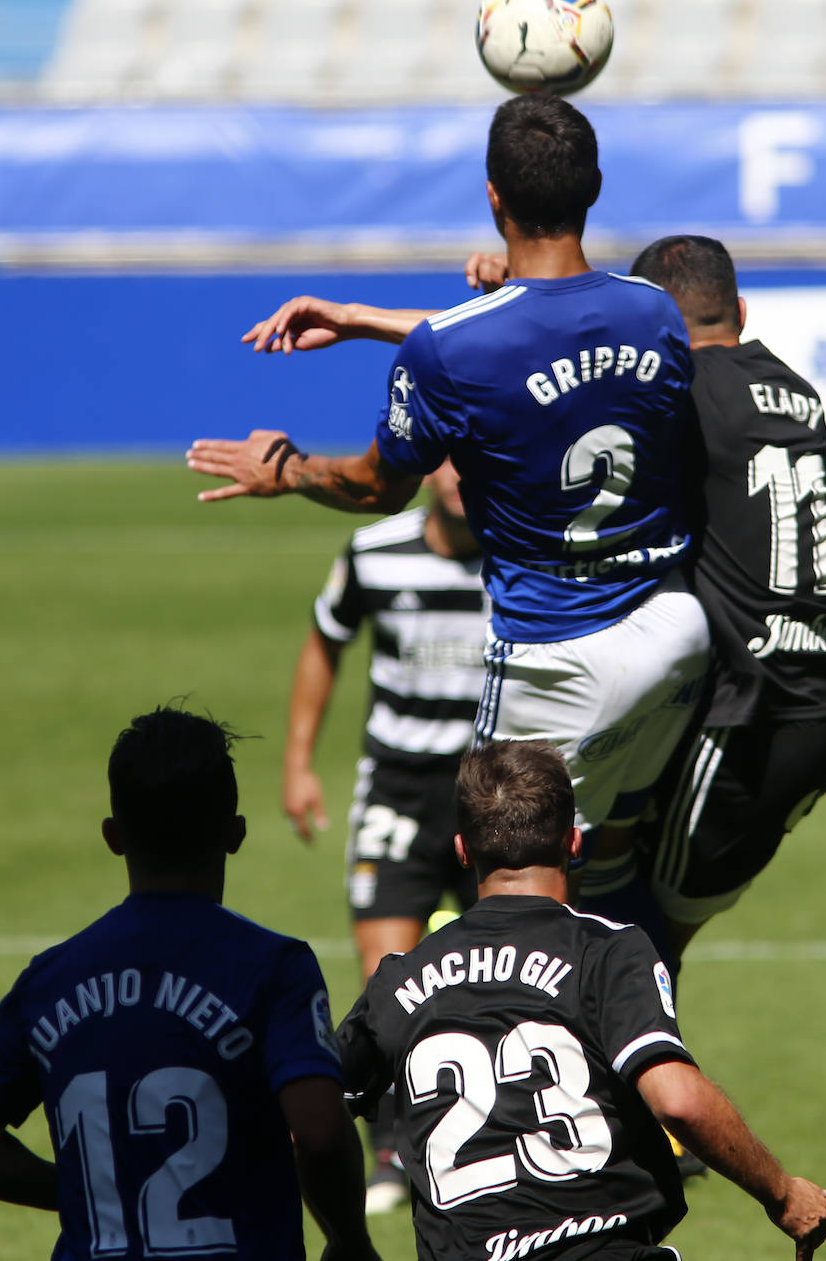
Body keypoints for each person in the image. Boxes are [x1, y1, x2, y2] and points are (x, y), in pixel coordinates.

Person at [186, 94, 710, 958]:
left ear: (493, 195)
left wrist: (286, 471)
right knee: (605, 869)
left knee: (507, 909)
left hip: (555, 656)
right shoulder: (652, 311)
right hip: (671, 628)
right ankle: (636, 1027)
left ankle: (529, 1074)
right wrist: (362, 321)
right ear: (595, 188)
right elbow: (536, 333)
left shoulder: (450, 352)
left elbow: (374, 489)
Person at [336, 738, 826, 1261]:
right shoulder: (607, 950)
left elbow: (313, 1119)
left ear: (462, 850)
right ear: (575, 844)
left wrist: (347, 1238)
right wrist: (781, 1192)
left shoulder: (398, 979)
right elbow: (678, 1101)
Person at [0, 705, 379, 1261]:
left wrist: (90, 1196)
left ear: (113, 837)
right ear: (234, 834)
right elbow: (317, 1129)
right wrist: (350, 1240)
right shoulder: (273, 967)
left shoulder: (46, 981)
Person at [618, 236, 826, 961]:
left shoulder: (679, 392)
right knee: (633, 925)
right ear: (742, 311)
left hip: (755, 707)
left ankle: (630, 1073)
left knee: (637, 944)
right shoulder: (798, 392)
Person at [284, 458, 488, 1209]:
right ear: (426, 467)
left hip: (491, 797)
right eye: (448, 458)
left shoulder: (522, 555)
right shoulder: (373, 553)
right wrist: (298, 763)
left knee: (510, 966)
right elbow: (323, 641)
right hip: (397, 792)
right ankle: (393, 1153)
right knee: (386, 975)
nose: (461, 474)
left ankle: (496, 1139)